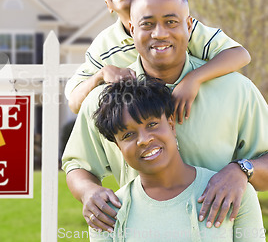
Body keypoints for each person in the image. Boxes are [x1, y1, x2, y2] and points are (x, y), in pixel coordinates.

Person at [62, 0, 268, 233]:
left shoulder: (236, 90)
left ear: (189, 25)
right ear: (131, 28)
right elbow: (77, 164)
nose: (159, 33)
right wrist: (88, 192)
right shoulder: (105, 100)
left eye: (171, 22)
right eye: (147, 24)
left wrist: (241, 170)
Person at [65, 0, 251, 122]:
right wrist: (101, 74)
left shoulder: (179, 27)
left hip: (196, 115)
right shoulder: (103, 46)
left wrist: (193, 79)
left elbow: (240, 55)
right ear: (108, 5)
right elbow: (74, 103)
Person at [89, 76, 265, 241]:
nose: (144, 140)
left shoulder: (233, 193)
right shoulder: (107, 212)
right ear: (119, 147)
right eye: (128, 135)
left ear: (171, 125)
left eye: (152, 124)